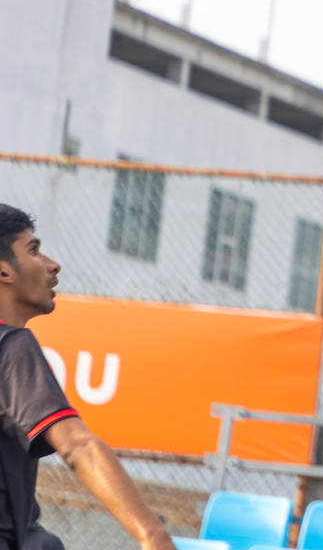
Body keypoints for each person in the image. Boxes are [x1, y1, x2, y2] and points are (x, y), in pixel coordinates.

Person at [0, 204, 177, 550]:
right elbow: (77, 446)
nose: (53, 264)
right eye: (33, 250)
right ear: (3, 272)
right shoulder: (12, 348)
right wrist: (154, 535)